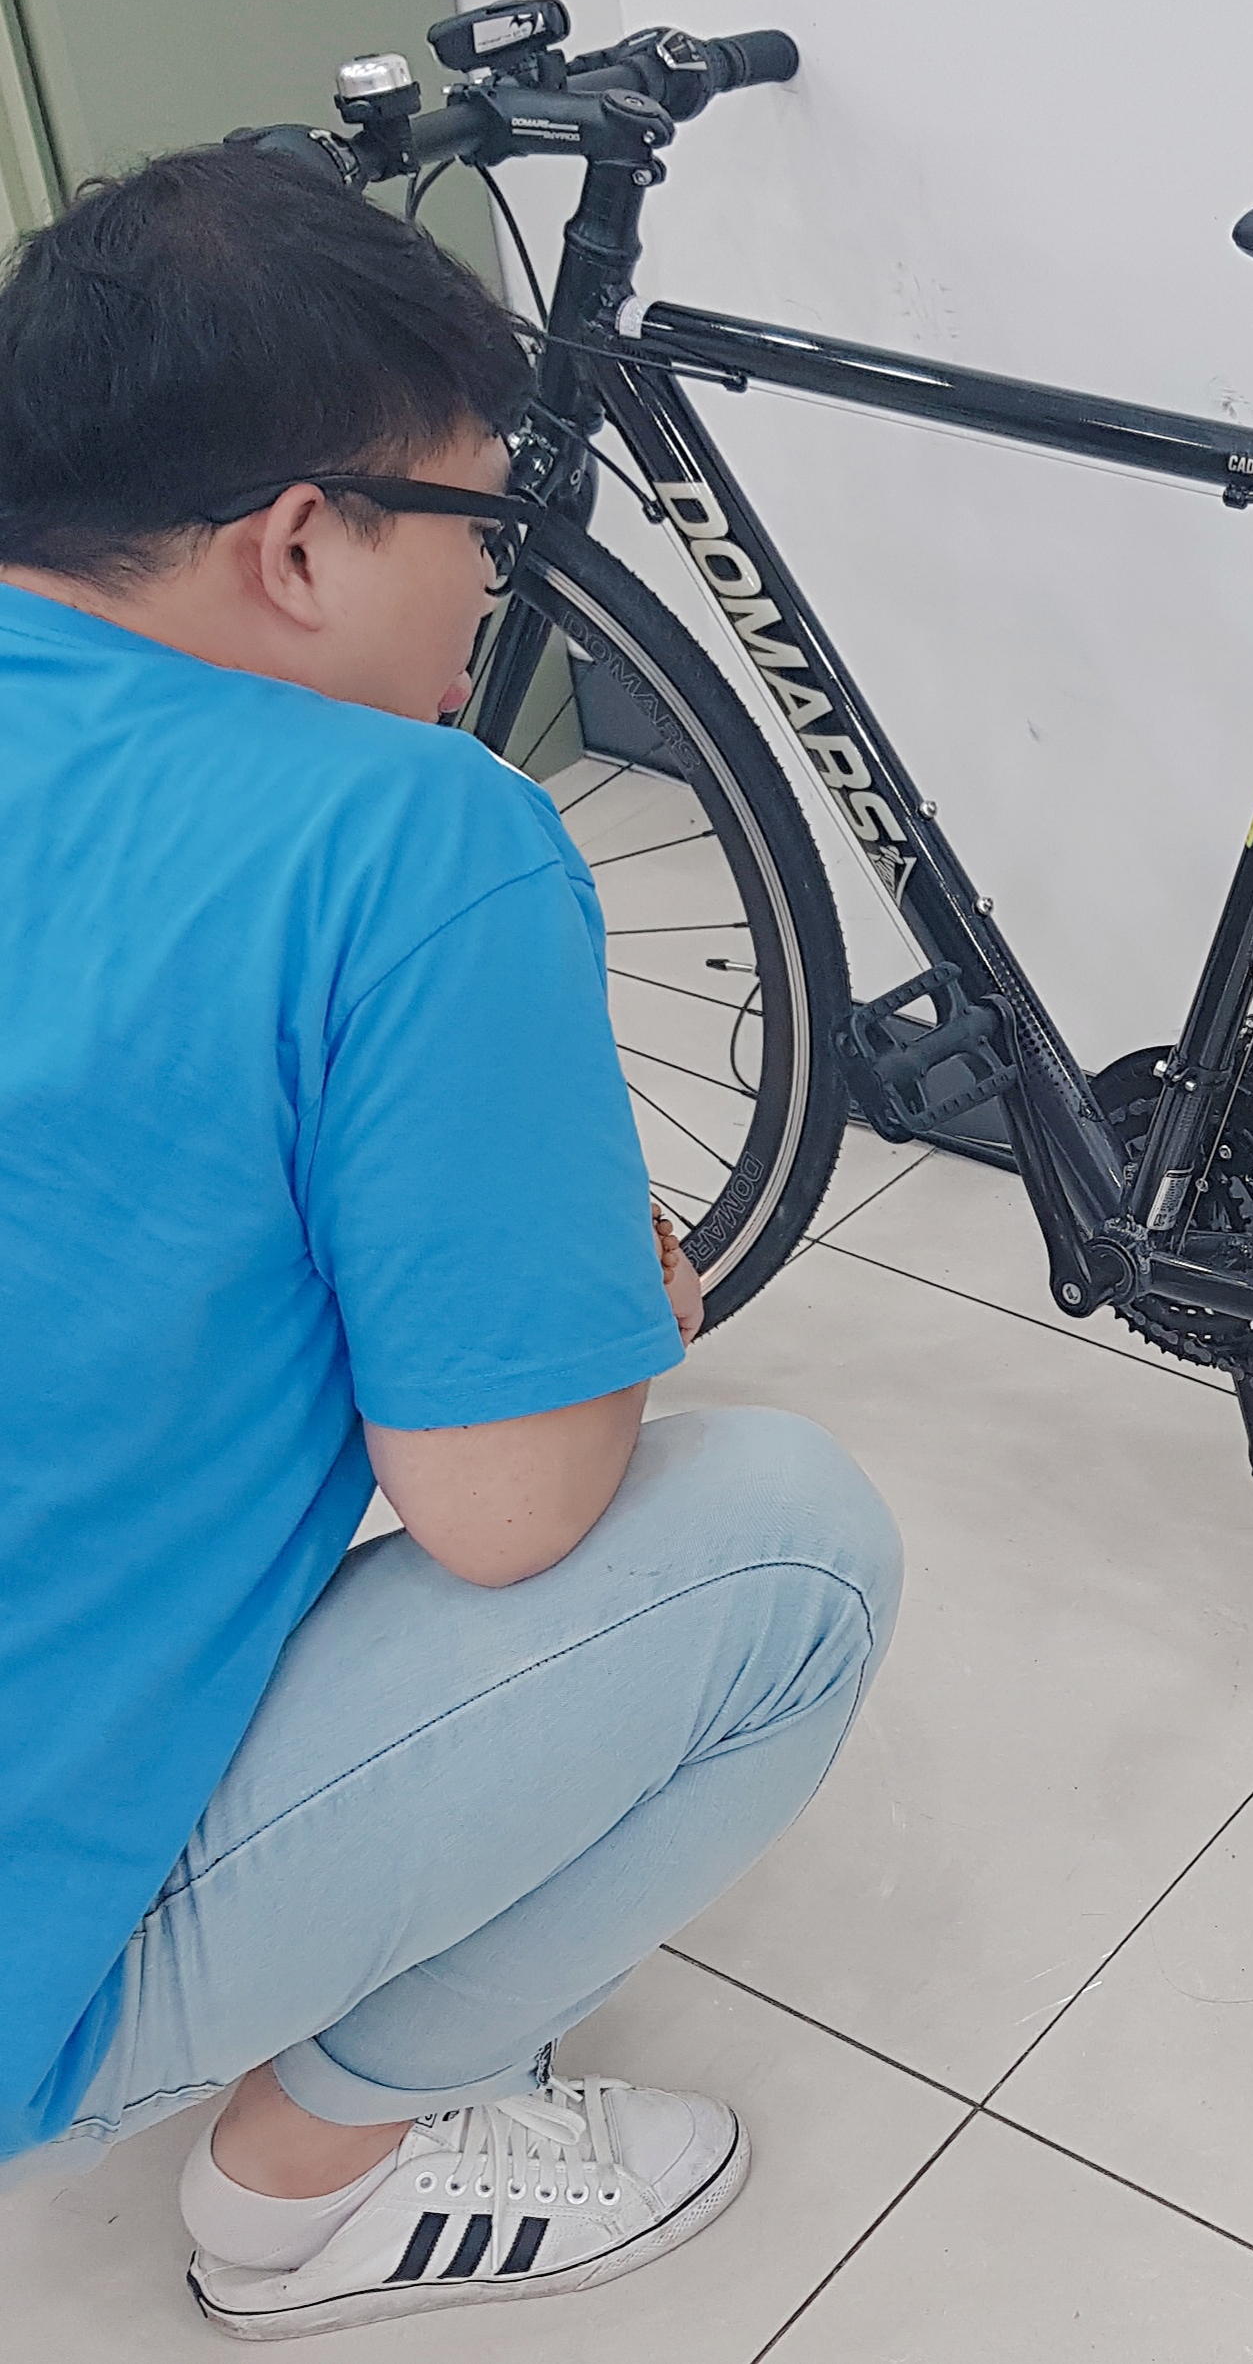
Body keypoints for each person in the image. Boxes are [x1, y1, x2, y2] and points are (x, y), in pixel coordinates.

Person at [0, 147, 900, 2339]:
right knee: (789, 1557)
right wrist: (597, 1306)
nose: (494, 596)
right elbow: (506, 1511)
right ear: (302, 542)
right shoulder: (412, 830)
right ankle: (310, 2192)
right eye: (478, 531)